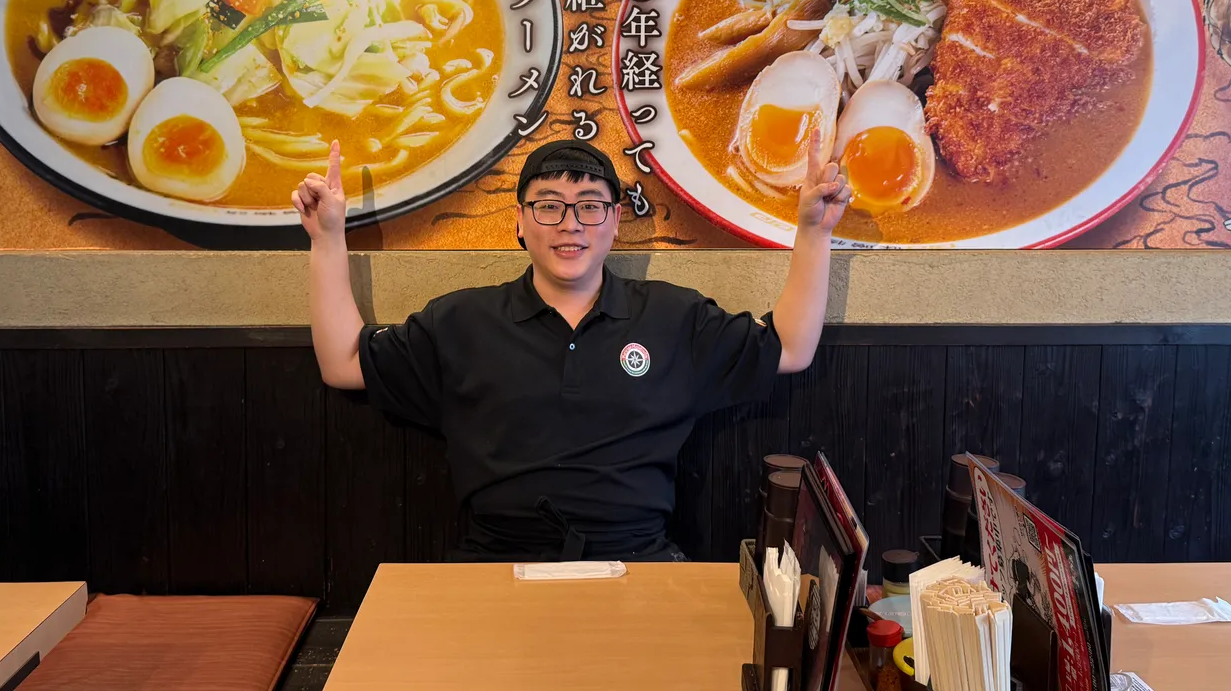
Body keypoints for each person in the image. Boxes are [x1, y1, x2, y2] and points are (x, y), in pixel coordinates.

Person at [294, 136, 852, 562]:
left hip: (640, 562)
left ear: (613, 223)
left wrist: (814, 233)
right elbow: (343, 363)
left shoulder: (674, 317)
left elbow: (790, 348)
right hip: (494, 563)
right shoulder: (461, 320)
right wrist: (327, 238)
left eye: (589, 206)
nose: (570, 224)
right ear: (519, 222)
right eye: (548, 206)